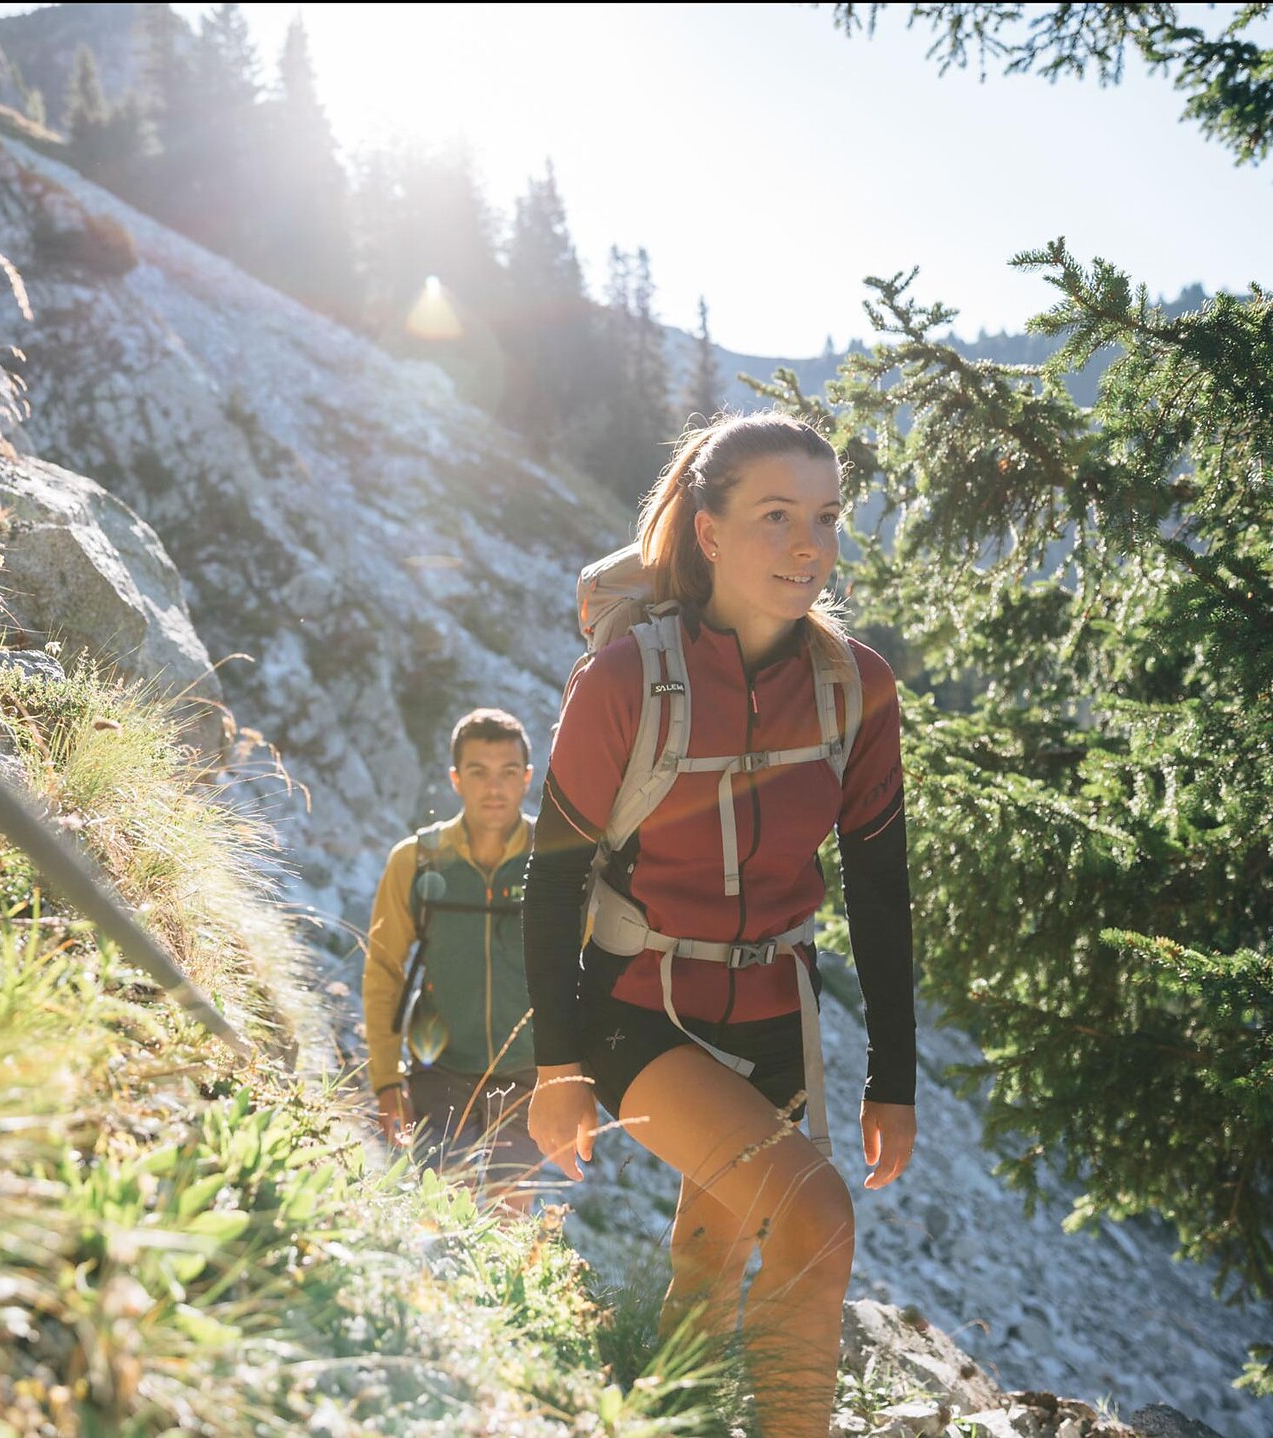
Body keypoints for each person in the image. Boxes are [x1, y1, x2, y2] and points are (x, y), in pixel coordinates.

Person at [523, 412, 917, 1438]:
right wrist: (557, 1067)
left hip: (775, 1020)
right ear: (708, 531)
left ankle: (664, 1419)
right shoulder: (623, 683)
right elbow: (551, 881)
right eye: (776, 516)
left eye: (826, 518)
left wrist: (894, 1078)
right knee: (818, 1216)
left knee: (707, 1263)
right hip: (638, 1012)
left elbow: (880, 891)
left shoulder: (857, 689)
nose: (809, 546)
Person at [363, 708, 542, 1210]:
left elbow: (590, 970)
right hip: (439, 1071)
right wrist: (386, 1079)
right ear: (455, 779)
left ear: (527, 779)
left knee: (509, 1219)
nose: (495, 788)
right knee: (439, 1214)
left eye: (508, 772)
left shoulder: (554, 859)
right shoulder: (416, 860)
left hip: (530, 1076)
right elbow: (384, 974)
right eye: (478, 772)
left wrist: (575, 1078)